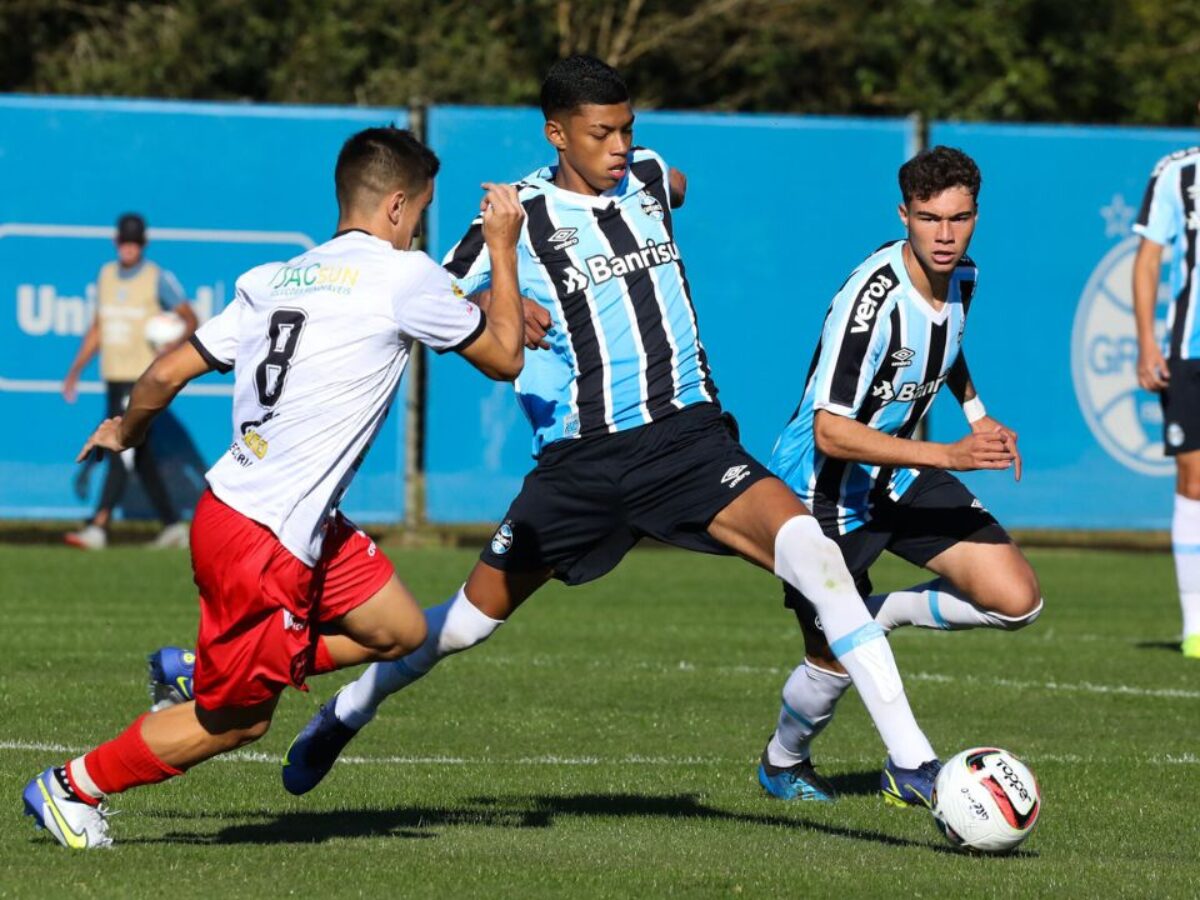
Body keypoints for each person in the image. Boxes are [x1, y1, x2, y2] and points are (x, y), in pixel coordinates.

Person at [281, 55, 942, 807]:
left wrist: (656, 179)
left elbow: (674, 183)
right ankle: (347, 711)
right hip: (581, 462)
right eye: (603, 134)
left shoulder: (651, 177)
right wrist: (502, 306)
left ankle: (914, 761)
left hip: (687, 443)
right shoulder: (519, 214)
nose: (621, 147)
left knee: (819, 559)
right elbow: (430, 293)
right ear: (557, 135)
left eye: (628, 128)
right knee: (465, 626)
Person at [21, 126, 528, 849]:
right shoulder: (403, 276)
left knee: (401, 631)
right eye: (420, 212)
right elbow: (505, 356)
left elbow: (166, 371)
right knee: (239, 722)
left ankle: (195, 669)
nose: (420, 228)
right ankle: (73, 787)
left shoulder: (276, 278)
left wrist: (124, 431)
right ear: (393, 207)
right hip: (264, 538)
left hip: (262, 513)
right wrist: (503, 249)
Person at [757, 146, 1043, 805]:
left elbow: (948, 345)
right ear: (903, 214)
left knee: (1018, 598)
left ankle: (871, 616)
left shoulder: (964, 274)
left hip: (897, 473)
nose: (945, 235)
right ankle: (782, 763)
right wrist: (950, 454)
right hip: (821, 494)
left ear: (975, 213)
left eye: (959, 218)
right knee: (830, 665)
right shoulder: (872, 301)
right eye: (928, 219)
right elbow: (830, 430)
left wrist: (977, 413)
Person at [63, 213, 197, 550]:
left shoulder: (156, 279)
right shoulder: (107, 276)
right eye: (125, 241)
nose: (129, 248)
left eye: (135, 242)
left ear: (143, 244)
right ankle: (171, 525)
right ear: (116, 242)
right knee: (140, 454)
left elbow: (191, 319)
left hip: (140, 380)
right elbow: (98, 328)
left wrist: (173, 347)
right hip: (114, 378)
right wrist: (76, 369)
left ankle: (98, 526)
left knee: (121, 449)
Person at [1133, 142, 1200, 660]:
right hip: (1189, 351)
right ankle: (1195, 625)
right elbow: (1149, 259)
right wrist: (1147, 341)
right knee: (1193, 479)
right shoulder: (1177, 173)